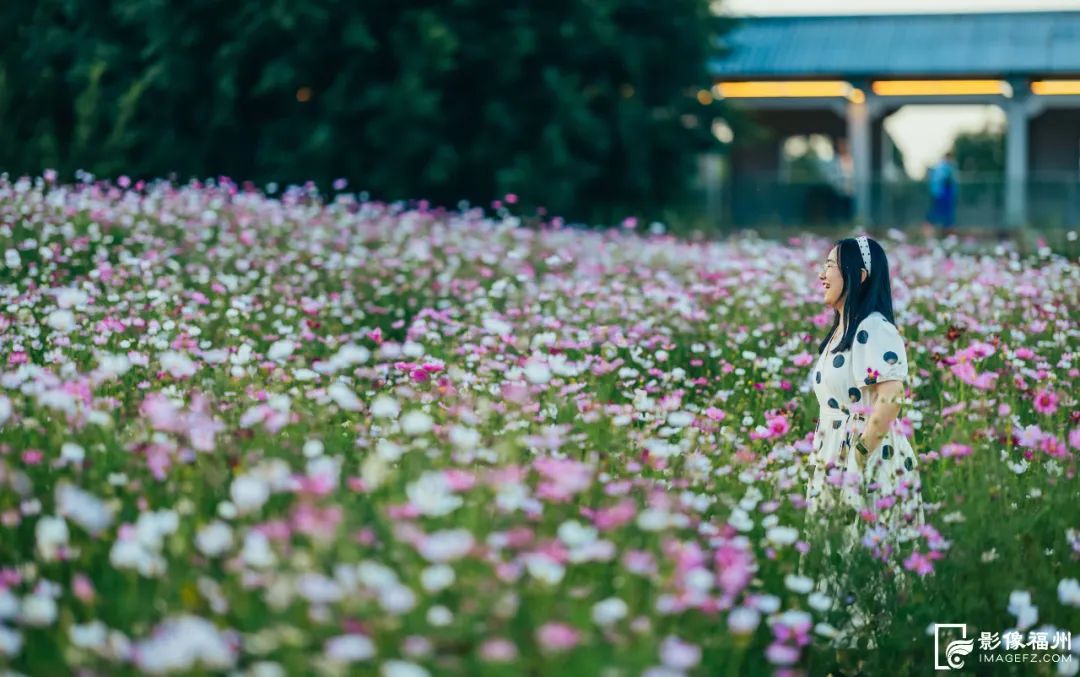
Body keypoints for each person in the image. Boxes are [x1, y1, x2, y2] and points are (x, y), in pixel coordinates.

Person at [802, 235, 927, 648]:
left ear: (858, 276)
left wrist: (855, 458)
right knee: (838, 565)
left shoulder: (873, 328)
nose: (821, 274)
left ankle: (868, 659)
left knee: (865, 567)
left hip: (868, 462)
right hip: (837, 458)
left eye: (830, 266)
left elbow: (890, 398)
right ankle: (845, 658)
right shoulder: (844, 328)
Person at [925, 152, 957, 233]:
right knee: (941, 213)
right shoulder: (944, 168)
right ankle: (931, 226)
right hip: (942, 193)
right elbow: (945, 181)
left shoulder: (942, 167)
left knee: (944, 213)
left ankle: (944, 230)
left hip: (940, 193)